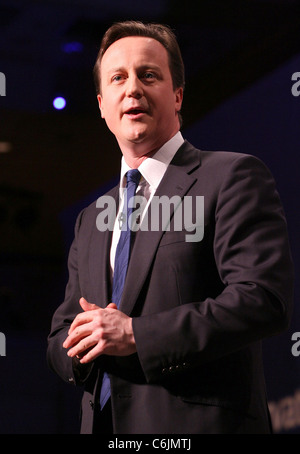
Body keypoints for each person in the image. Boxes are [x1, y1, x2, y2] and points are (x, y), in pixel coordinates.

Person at [47, 20, 294, 434]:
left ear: (177, 95)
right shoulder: (92, 218)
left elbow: (262, 299)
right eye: (118, 78)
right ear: (102, 104)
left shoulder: (231, 176)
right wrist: (79, 346)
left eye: (149, 75)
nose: (132, 89)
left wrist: (137, 334)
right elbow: (60, 335)